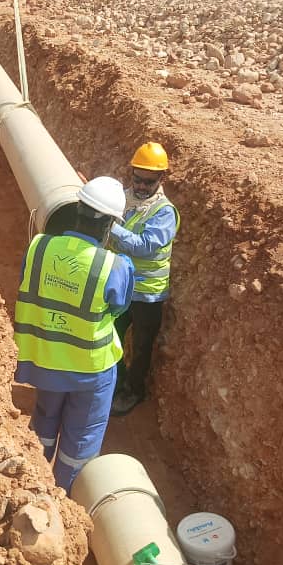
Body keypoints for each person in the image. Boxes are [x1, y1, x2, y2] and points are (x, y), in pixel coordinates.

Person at [13, 177, 135, 491]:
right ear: (110, 224)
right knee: (81, 437)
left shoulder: (38, 246)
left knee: (44, 423)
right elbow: (119, 308)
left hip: (45, 360)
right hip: (91, 370)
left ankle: (34, 486)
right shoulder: (114, 266)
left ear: (78, 208)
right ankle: (66, 495)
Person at [108, 142, 179, 417]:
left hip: (147, 294)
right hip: (120, 285)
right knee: (110, 335)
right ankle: (113, 382)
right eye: (137, 178)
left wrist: (112, 228)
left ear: (161, 179)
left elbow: (146, 246)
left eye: (148, 181)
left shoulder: (163, 212)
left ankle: (134, 390)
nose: (141, 185)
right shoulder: (124, 198)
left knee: (140, 345)